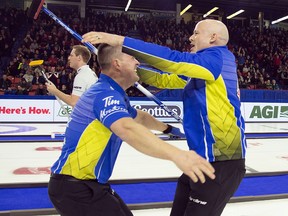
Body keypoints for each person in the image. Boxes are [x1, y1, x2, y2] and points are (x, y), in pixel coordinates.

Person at [82, 18, 247, 216]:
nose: (190, 37)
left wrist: (120, 41)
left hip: (221, 163)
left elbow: (174, 62)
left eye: (196, 33)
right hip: (201, 159)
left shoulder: (216, 58)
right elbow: (164, 79)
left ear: (213, 37)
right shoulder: (205, 66)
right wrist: (126, 69)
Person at [48, 44, 215, 216]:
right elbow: (127, 128)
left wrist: (169, 129)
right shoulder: (105, 94)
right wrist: (177, 155)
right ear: (117, 64)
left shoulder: (114, 93)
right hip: (75, 187)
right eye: (132, 58)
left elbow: (139, 117)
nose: (137, 62)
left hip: (88, 185)